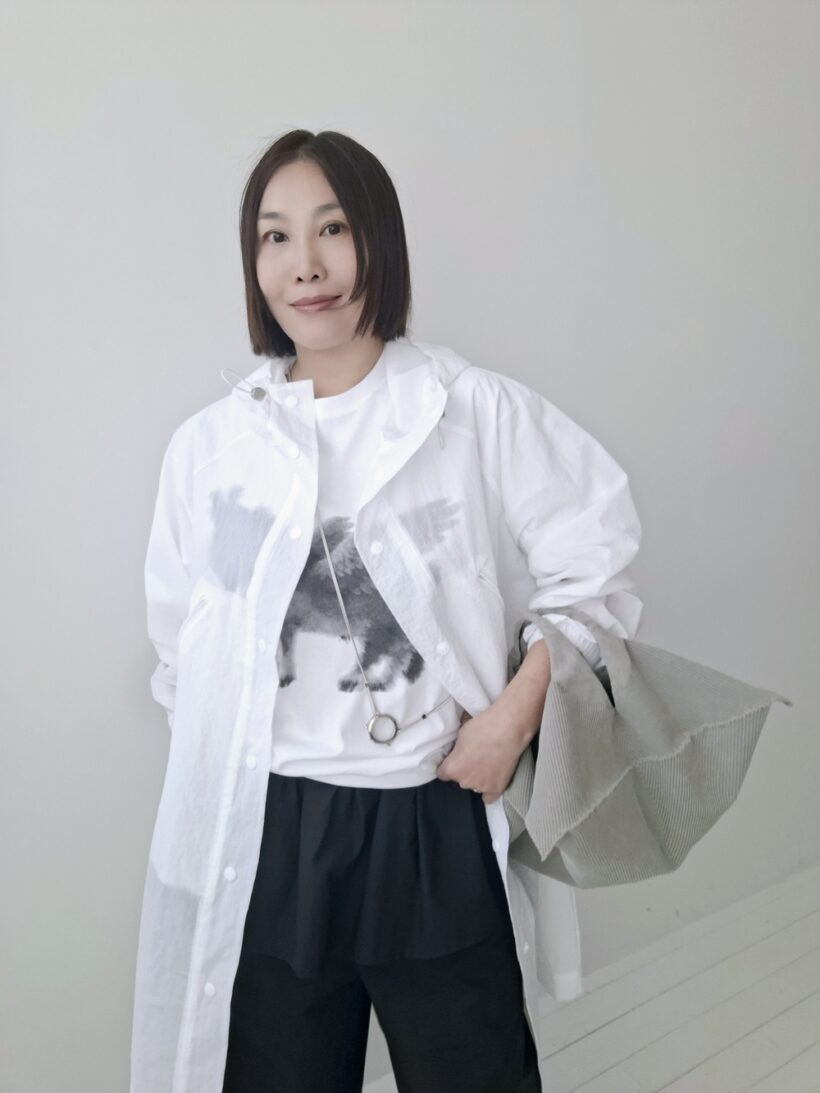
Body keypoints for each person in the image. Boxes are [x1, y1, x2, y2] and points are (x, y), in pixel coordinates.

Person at [133, 129, 644, 1093]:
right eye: (276, 236)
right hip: (272, 831)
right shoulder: (212, 450)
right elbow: (181, 652)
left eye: (333, 229)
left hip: (429, 816)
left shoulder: (470, 411)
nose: (306, 264)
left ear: (379, 240)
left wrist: (511, 722)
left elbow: (598, 562)